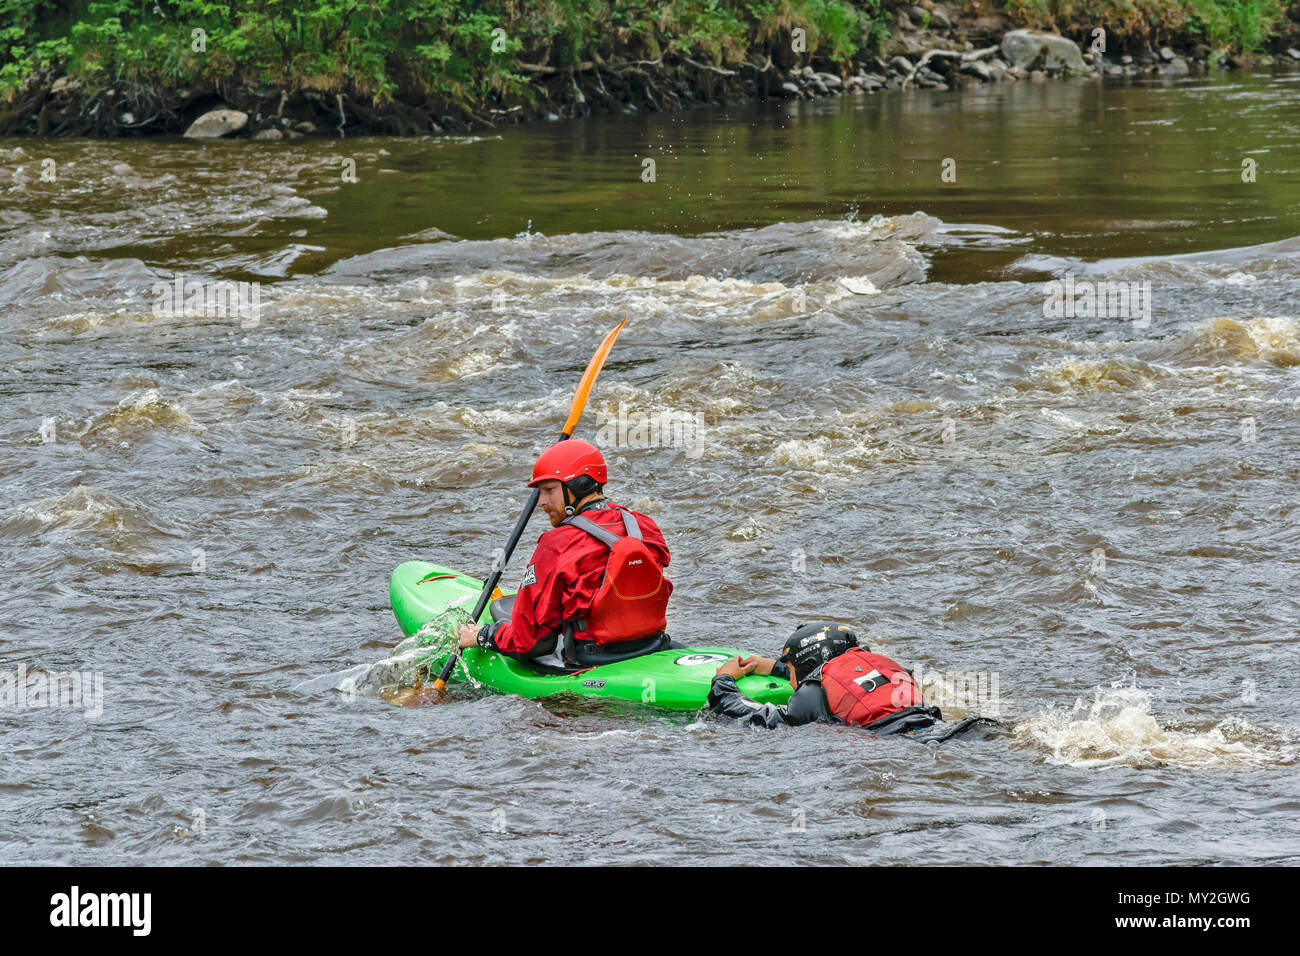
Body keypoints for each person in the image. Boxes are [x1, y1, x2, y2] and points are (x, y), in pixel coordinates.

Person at [455, 439, 674, 671]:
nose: (541, 502)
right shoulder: (643, 525)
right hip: (652, 646)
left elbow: (530, 642)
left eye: (550, 490)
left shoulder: (557, 544)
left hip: (592, 660)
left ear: (581, 485)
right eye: (540, 492)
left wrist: (483, 635)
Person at [708, 622, 994, 741]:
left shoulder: (812, 694)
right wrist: (774, 667)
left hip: (897, 744)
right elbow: (839, 682)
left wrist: (723, 681)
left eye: (790, 667)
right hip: (943, 731)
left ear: (806, 664)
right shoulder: (882, 666)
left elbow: (756, 716)